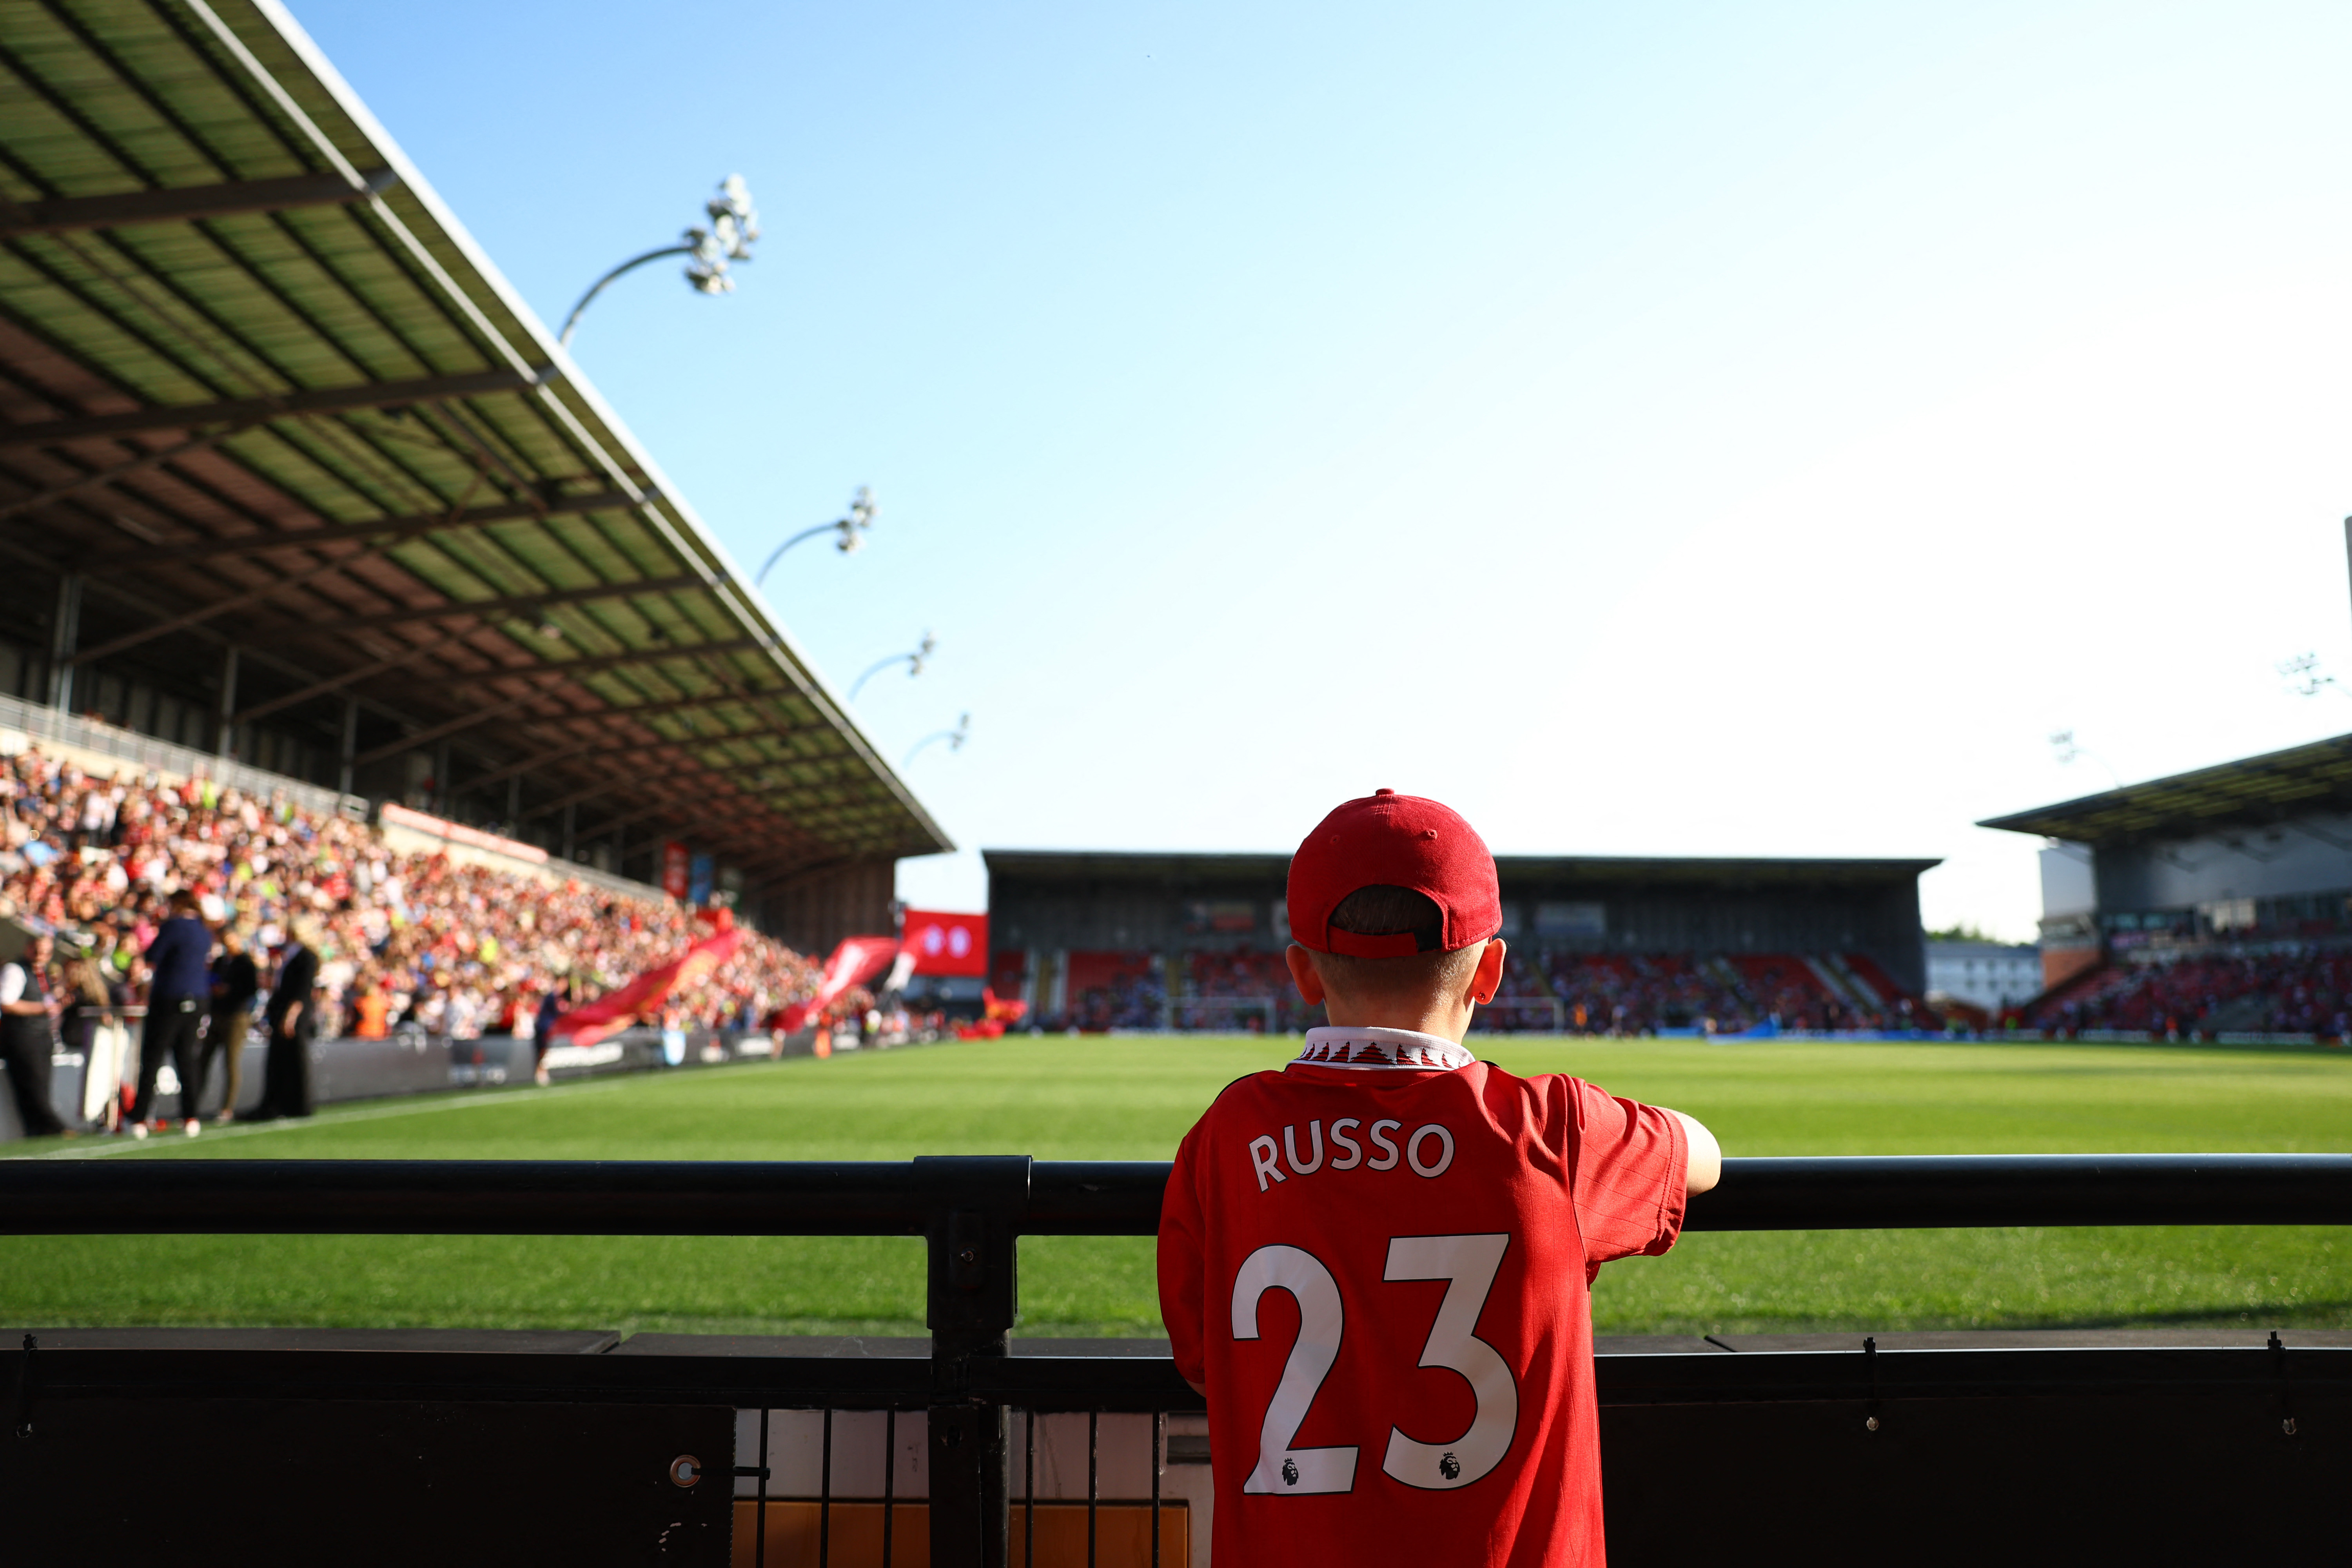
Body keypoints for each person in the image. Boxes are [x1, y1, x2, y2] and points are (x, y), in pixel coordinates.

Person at [1157, 791, 1722, 1568]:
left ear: (1300, 972)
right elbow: (1703, 1153)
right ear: (1489, 971)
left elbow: (1203, 1358)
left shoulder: (1229, 1133)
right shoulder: (1556, 1126)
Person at [132, 889, 212, 1137]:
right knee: (187, 1059)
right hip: (197, 998)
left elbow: (153, 955)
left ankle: (140, 1119)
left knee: (153, 1057)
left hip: (169, 997)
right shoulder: (203, 930)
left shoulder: (174, 927)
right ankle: (191, 1116)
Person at [0, 931, 70, 1137]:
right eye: (37, 949)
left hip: (41, 1036)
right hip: (22, 1037)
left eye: (46, 951)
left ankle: (42, 1129)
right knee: (33, 1086)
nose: (41, 954)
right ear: (28, 947)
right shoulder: (15, 970)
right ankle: (56, 1127)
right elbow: (7, 1003)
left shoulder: (43, 974)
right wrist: (42, 1008)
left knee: (42, 1085)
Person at [253, 918, 320, 1121]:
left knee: (294, 1059)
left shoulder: (306, 957)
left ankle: (298, 1104)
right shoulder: (289, 956)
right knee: (279, 1060)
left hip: (293, 1015)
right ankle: (277, 1104)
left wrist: (291, 1017)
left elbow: (301, 992)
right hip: (282, 1011)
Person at [199, 925, 259, 1122]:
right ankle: (193, 1103)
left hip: (236, 1016)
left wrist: (230, 990)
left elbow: (251, 989)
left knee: (231, 1062)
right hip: (218, 1014)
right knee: (204, 1060)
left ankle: (227, 1108)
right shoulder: (220, 962)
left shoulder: (246, 963)